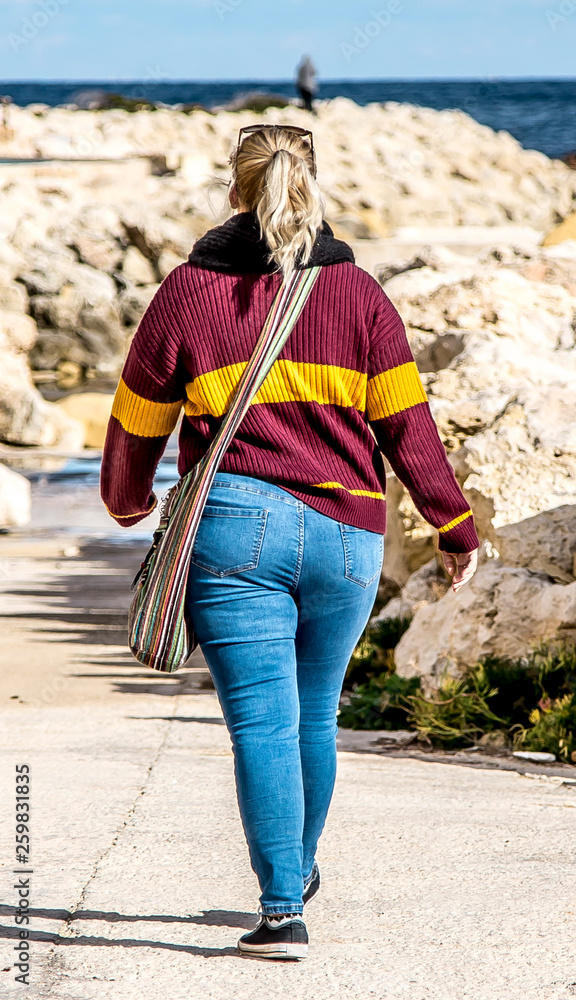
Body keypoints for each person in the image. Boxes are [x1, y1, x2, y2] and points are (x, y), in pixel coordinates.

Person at [100, 124, 479, 960]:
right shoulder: (361, 297)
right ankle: (296, 866)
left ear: (236, 190)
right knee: (315, 718)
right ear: (314, 185)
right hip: (348, 533)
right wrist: (453, 525)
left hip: (236, 526)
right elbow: (408, 425)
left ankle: (282, 908)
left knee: (264, 726)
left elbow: (137, 421)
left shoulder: (190, 293)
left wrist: (126, 502)